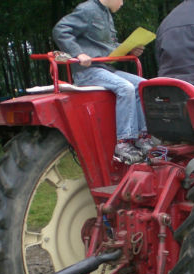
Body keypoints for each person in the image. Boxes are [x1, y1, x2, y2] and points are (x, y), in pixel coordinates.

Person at [53, 0, 154, 164]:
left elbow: (106, 46)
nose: (122, 3)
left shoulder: (106, 14)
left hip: (106, 69)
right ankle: (124, 143)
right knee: (125, 87)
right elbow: (60, 30)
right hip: (88, 71)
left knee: (143, 85)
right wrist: (78, 53)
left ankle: (142, 137)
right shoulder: (87, 9)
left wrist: (129, 48)